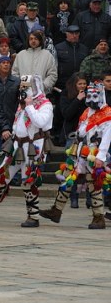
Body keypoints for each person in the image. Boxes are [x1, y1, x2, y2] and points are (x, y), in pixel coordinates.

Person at [0, 75, 53, 227]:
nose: (22, 90)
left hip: (33, 148)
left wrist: (29, 107)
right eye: (21, 87)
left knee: (28, 180)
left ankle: (33, 217)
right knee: (3, 175)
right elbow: (17, 124)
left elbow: (40, 122)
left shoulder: (45, 105)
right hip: (17, 147)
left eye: (26, 87)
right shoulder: (22, 104)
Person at [40, 81, 110, 229]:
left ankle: (98, 217)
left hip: (94, 153)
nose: (91, 97)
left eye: (94, 95)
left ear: (101, 95)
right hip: (78, 152)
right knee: (66, 179)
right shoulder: (86, 112)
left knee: (94, 184)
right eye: (89, 94)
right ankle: (56, 210)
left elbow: (107, 137)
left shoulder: (107, 114)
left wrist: (101, 157)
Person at [60, 73, 88, 208]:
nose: (82, 86)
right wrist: (77, 99)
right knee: (72, 167)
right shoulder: (66, 95)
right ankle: (73, 197)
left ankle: (90, 197)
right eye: (79, 84)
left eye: (84, 83)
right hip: (72, 136)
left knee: (89, 166)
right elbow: (66, 114)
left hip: (88, 135)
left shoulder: (91, 95)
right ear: (74, 85)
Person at [12, 29, 57, 93]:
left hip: (42, 93)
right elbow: (15, 73)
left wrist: (43, 85)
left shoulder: (47, 55)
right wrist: (22, 85)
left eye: (36, 39)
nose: (33, 41)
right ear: (28, 40)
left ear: (40, 40)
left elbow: (52, 74)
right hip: (24, 92)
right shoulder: (21, 55)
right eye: (31, 39)